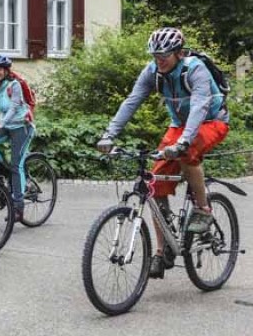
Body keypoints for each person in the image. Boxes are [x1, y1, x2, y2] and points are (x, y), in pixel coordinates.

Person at [96, 27, 230, 279]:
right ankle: (162, 250)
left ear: (178, 53)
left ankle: (203, 209)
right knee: (154, 183)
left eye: (164, 56)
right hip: (179, 126)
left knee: (187, 151)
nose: (158, 60)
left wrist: (183, 142)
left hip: (212, 121)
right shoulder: (152, 71)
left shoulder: (195, 70)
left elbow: (200, 107)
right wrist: (109, 134)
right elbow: (132, 100)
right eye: (155, 55)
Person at [0, 54, 33, 223]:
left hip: (22, 126)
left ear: (6, 70)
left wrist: (1, 123)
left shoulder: (13, 84)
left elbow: (15, 106)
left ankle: (18, 207)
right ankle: (3, 171)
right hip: (5, 126)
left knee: (17, 165)